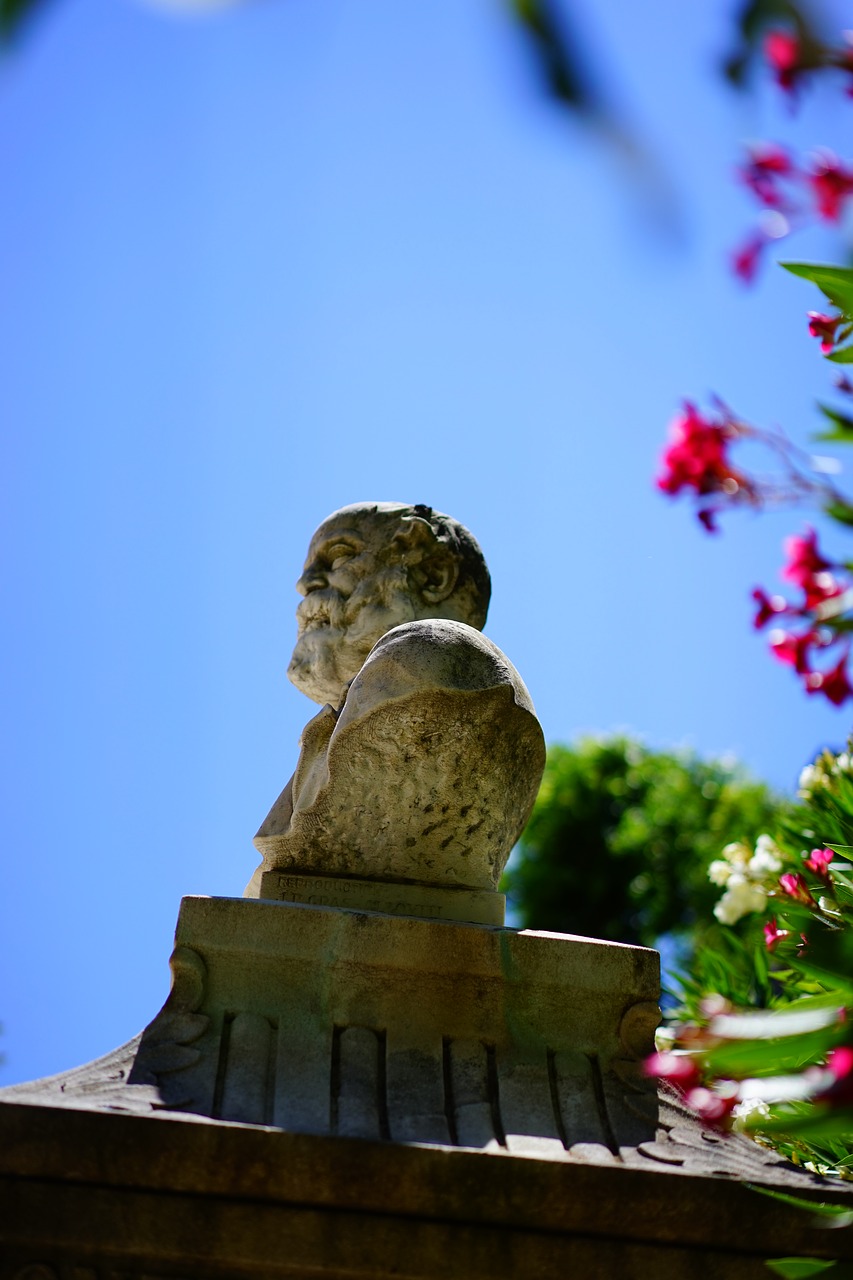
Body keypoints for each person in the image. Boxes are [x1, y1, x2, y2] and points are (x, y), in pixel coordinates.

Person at [245, 502, 544, 898]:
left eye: (338, 556)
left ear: (432, 574)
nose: (306, 584)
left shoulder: (440, 659)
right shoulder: (335, 722)